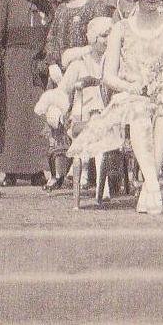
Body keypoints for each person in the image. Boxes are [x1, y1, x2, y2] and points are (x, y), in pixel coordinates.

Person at [67, 0, 163, 215]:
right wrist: (132, 87)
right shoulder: (121, 29)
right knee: (138, 111)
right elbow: (109, 76)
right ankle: (154, 185)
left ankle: (148, 185)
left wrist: (161, 87)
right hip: (130, 95)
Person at [35, 16, 113, 197]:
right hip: (83, 117)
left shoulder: (114, 61)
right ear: (93, 39)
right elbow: (63, 91)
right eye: (103, 36)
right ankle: (102, 185)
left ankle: (97, 178)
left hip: (112, 114)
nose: (107, 41)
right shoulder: (79, 64)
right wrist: (55, 108)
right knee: (93, 121)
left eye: (110, 36)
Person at [0, 0, 54, 186]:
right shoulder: (10, 2)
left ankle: (37, 170)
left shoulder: (48, 8)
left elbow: (51, 39)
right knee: (15, 117)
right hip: (14, 64)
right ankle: (10, 170)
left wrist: (45, 62)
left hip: (38, 67)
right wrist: (1, 65)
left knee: (37, 116)